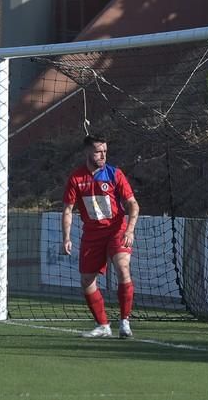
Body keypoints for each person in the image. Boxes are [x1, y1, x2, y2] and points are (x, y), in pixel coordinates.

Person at [62, 134, 139, 338]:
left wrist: (130, 230)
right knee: (87, 280)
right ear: (87, 152)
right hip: (92, 233)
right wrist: (66, 237)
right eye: (98, 151)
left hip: (117, 229)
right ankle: (104, 325)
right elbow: (68, 209)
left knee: (122, 267)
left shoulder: (115, 174)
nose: (103, 155)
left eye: (105, 151)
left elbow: (133, 205)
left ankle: (125, 322)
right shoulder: (76, 178)